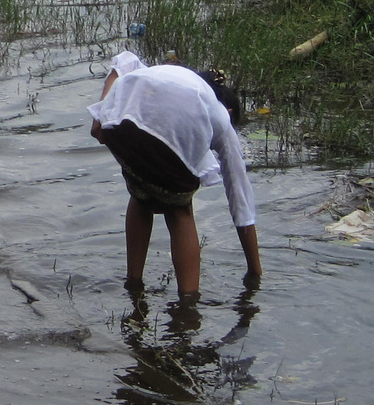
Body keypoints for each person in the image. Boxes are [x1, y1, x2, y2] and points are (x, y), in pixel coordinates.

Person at [88, 50, 261, 294]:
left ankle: (133, 284)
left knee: (141, 193)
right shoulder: (221, 116)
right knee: (179, 208)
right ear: (230, 112)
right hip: (144, 123)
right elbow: (240, 196)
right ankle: (187, 304)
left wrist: (100, 112)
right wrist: (255, 271)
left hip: (119, 122)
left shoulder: (168, 73)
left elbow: (124, 59)